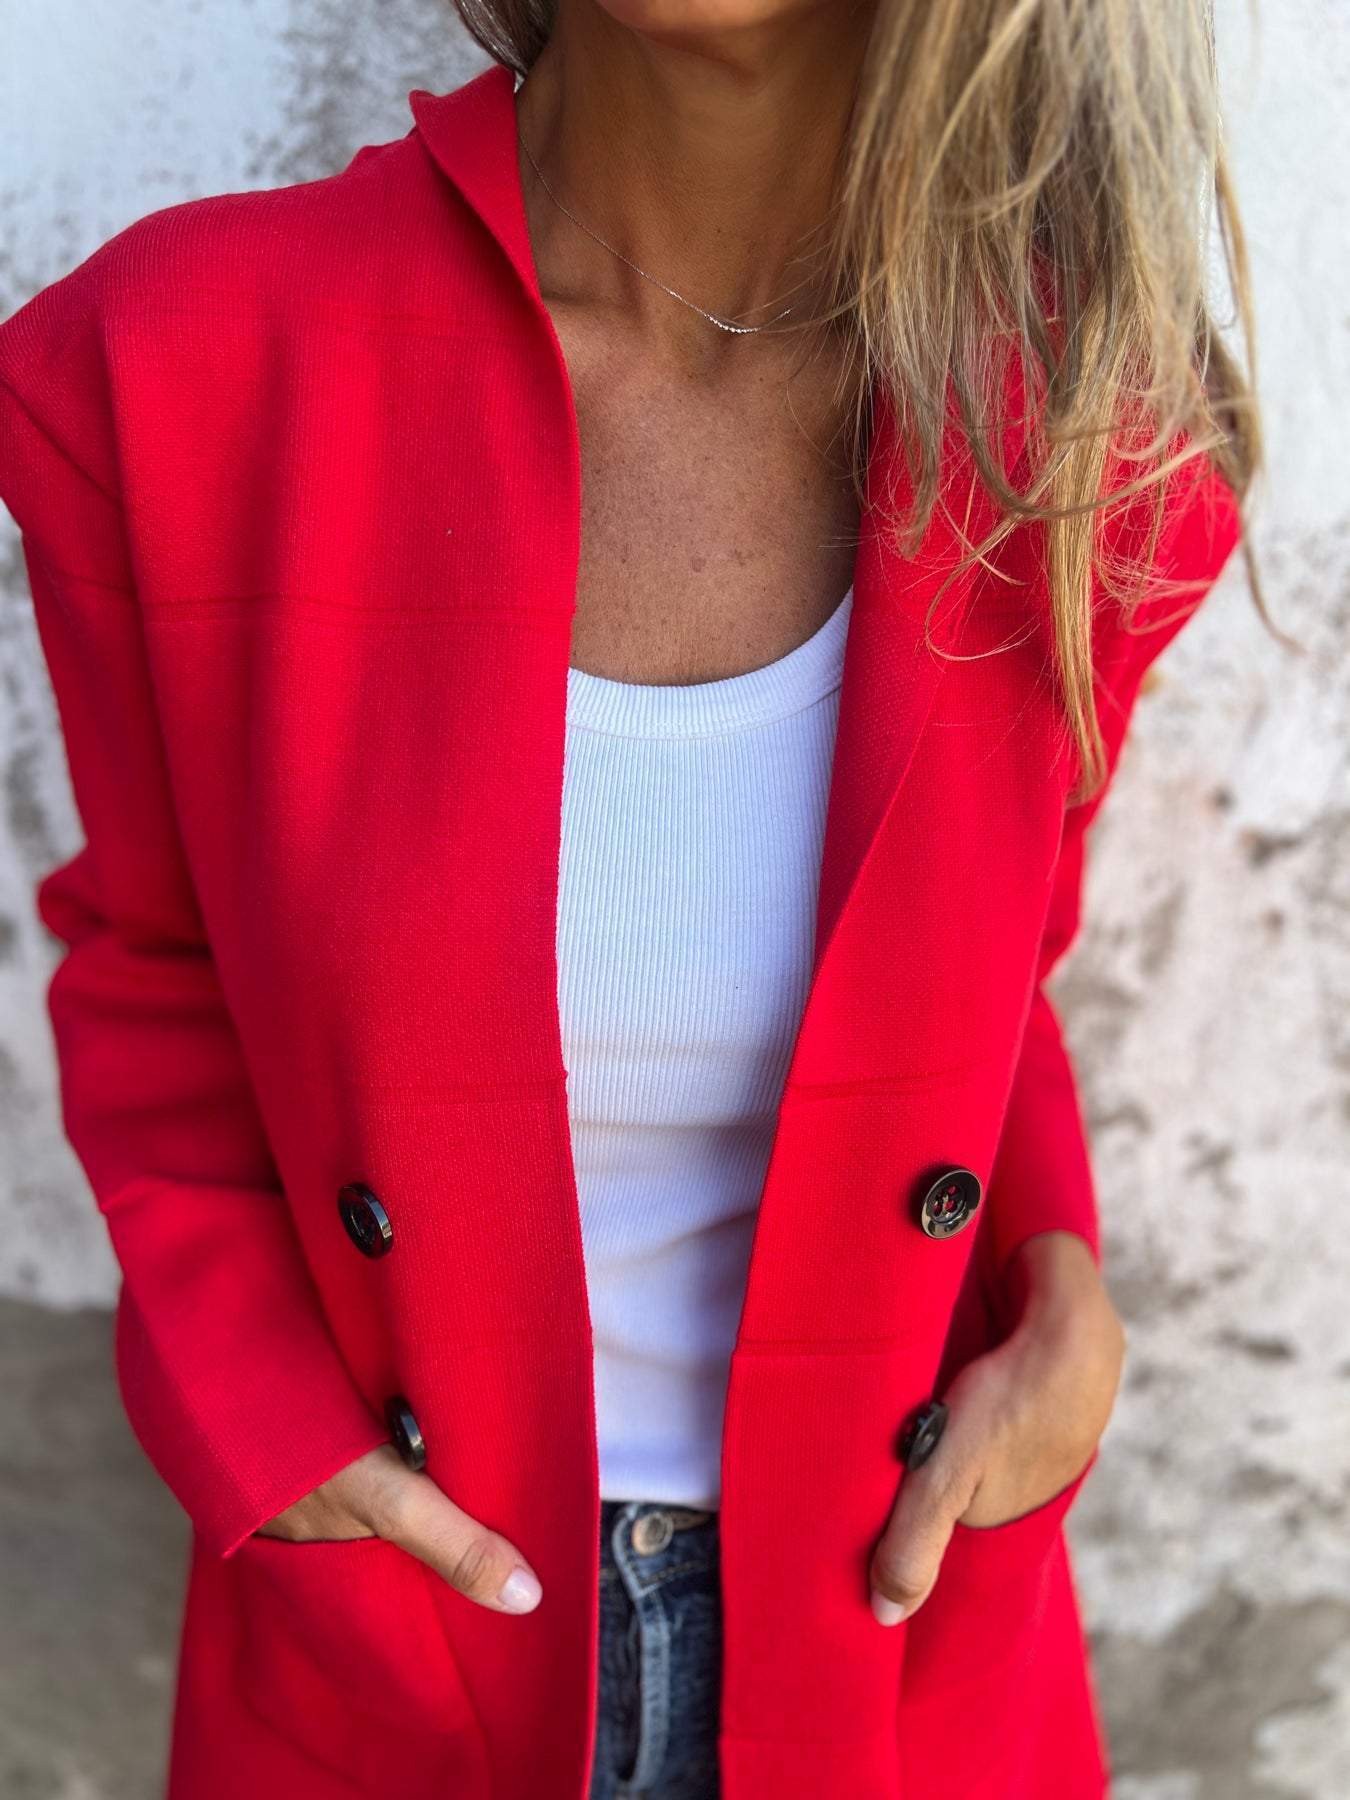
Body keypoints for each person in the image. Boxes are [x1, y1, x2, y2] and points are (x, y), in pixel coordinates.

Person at [0, 2, 1261, 1796]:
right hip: (406, 1639)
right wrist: (261, 1432)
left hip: (887, 1637)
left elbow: (997, 969)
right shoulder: (178, 368)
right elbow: (154, 960)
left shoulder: (1076, 438)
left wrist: (1060, 1290)